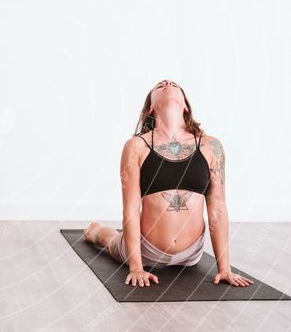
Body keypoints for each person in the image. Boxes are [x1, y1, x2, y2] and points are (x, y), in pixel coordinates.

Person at [83, 79, 253, 289]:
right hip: (146, 249)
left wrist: (224, 268)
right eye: (159, 86)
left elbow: (217, 207)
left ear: (185, 106)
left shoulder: (211, 146)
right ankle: (96, 230)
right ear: (151, 108)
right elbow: (131, 208)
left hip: (192, 254)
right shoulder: (137, 146)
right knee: (108, 242)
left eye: (174, 84)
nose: (167, 82)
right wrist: (136, 267)